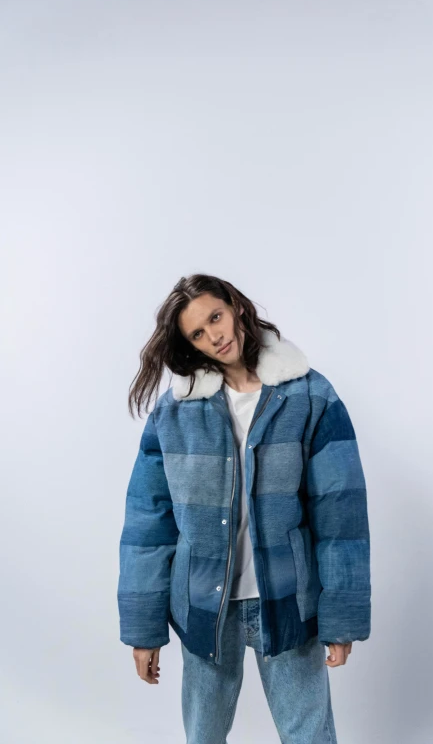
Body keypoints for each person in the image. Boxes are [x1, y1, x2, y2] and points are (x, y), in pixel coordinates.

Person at [117, 272, 372, 744]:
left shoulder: (309, 395)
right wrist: (143, 628)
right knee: (204, 736)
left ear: (234, 306)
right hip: (202, 606)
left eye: (215, 317)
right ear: (188, 344)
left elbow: (341, 516)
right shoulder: (174, 413)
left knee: (309, 734)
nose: (214, 335)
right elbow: (148, 525)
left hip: (288, 599)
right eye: (197, 332)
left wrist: (342, 616)